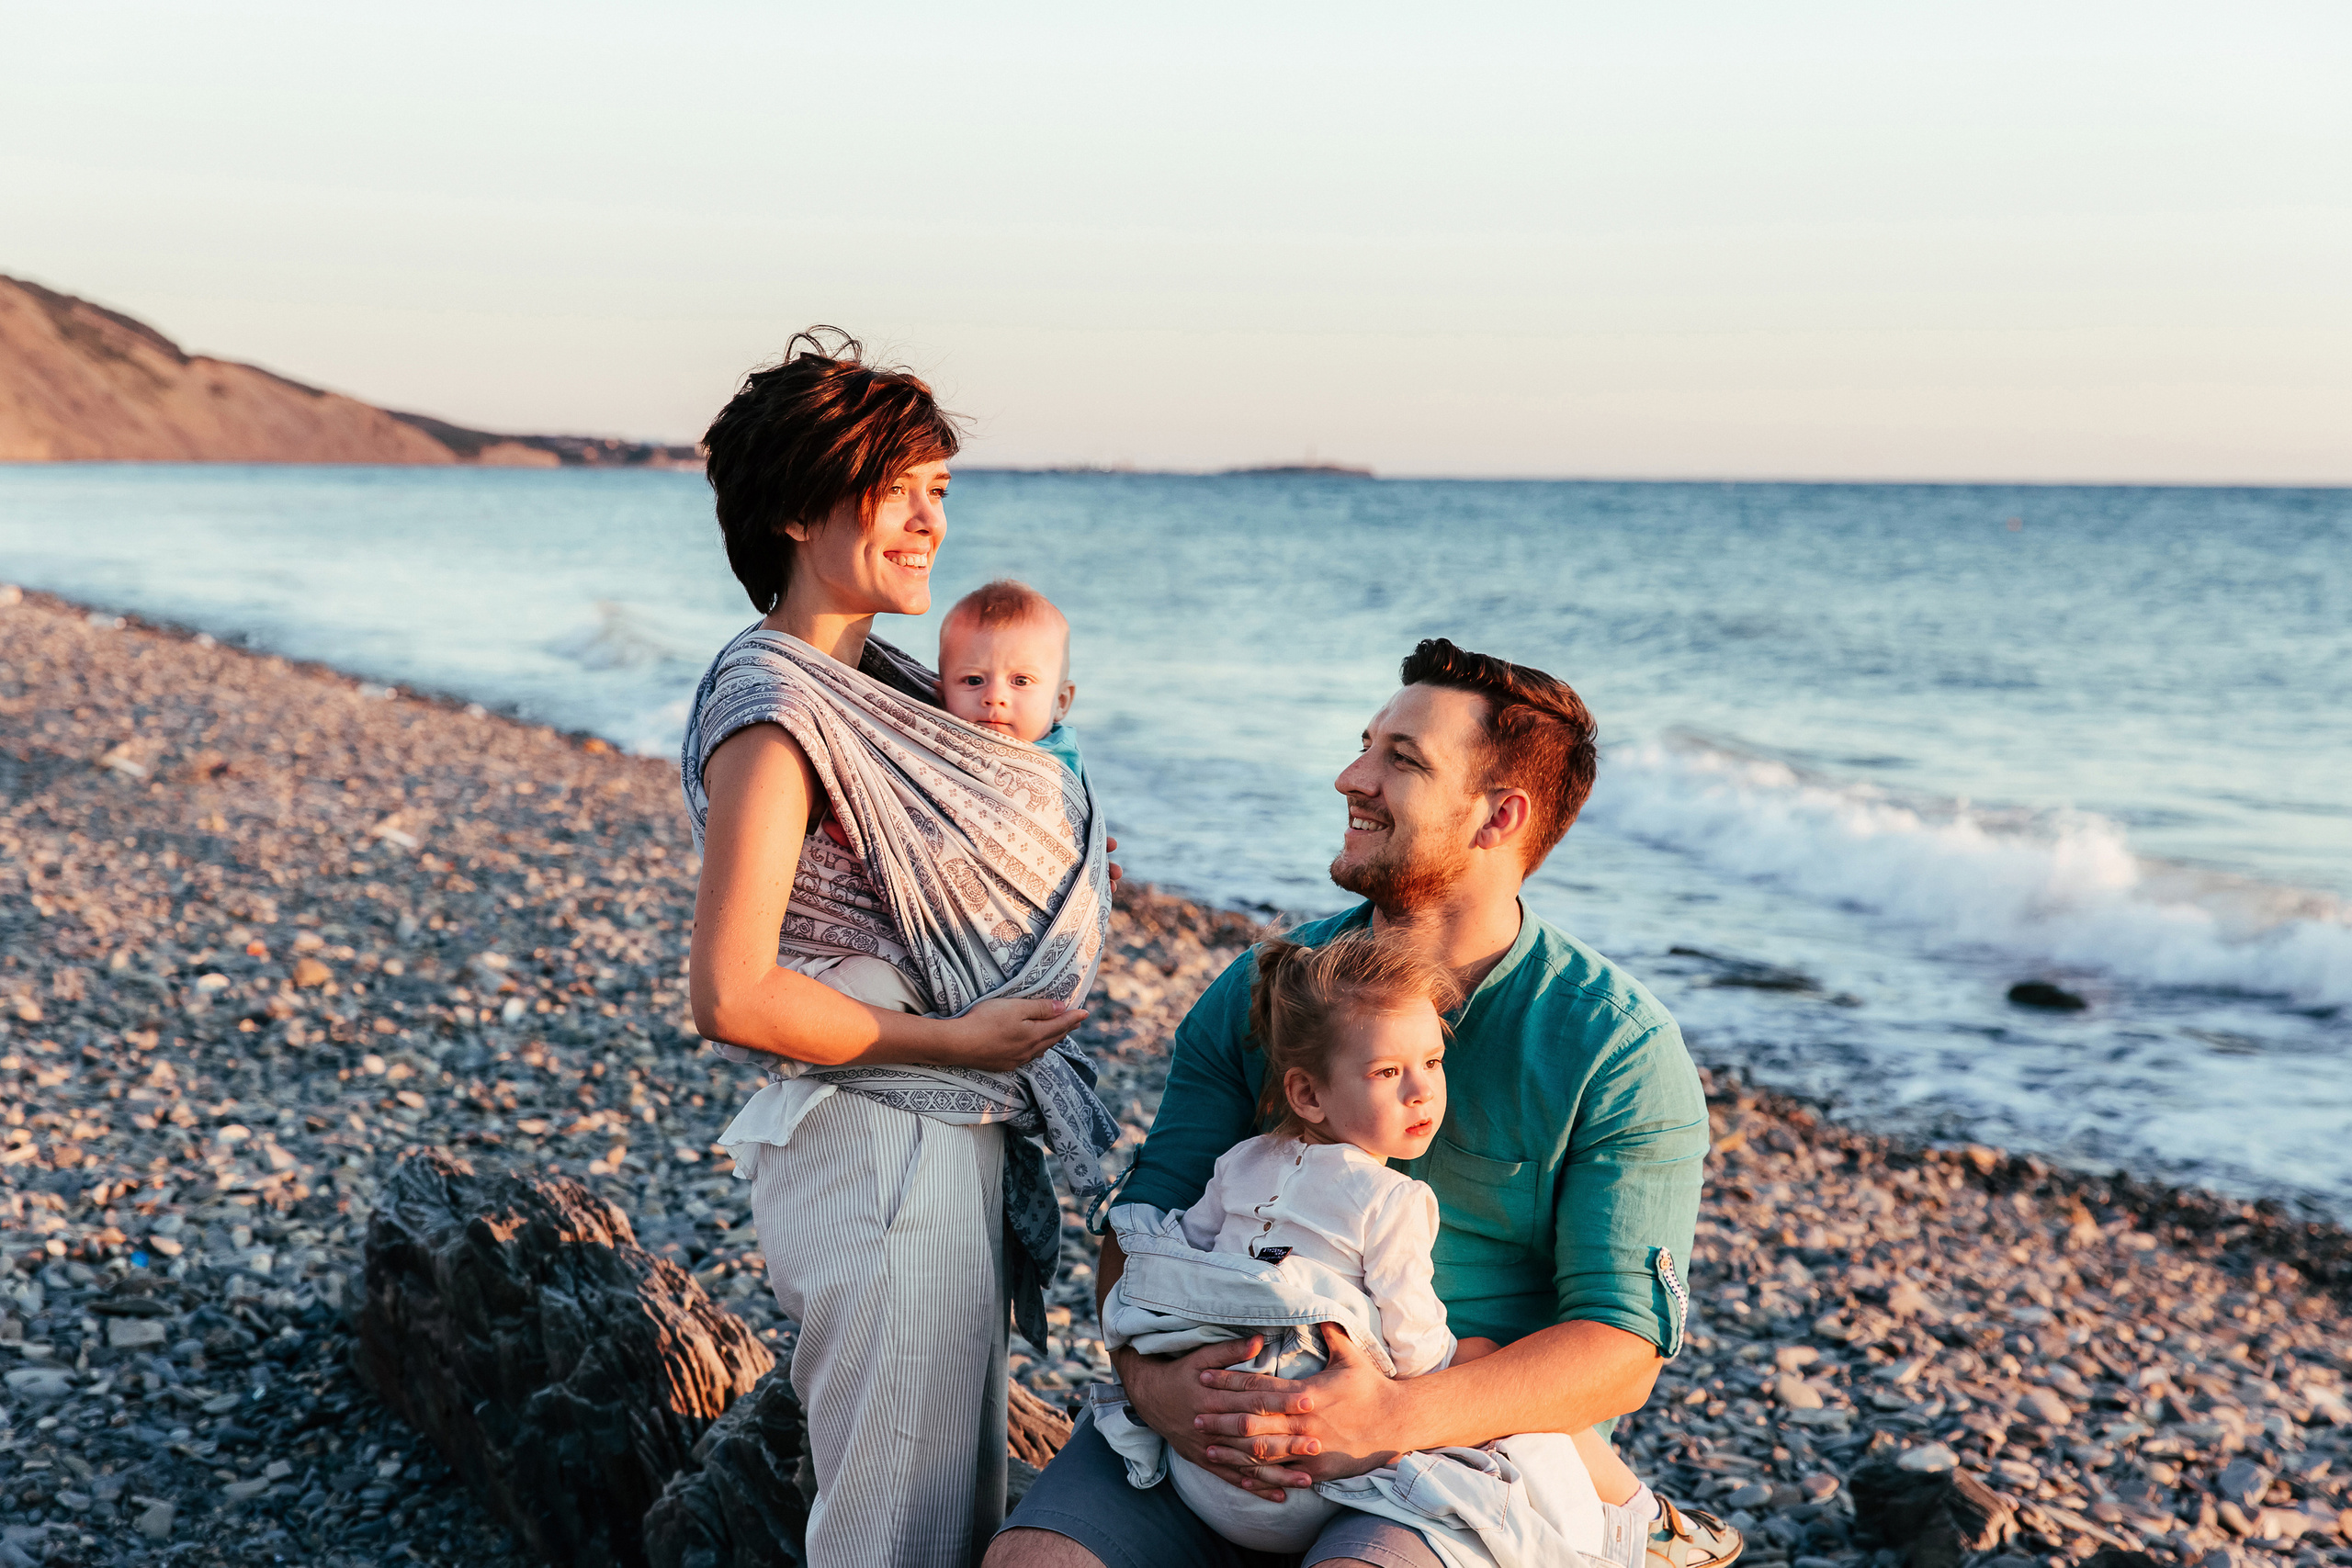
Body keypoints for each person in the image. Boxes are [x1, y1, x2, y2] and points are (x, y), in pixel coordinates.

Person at [991, 640, 1740, 1568]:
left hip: (1455, 1446)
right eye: (1366, 745)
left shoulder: (1613, 1048)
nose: (1352, 777)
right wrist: (1155, 1384)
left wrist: (1392, 1413)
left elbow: (1619, 1346)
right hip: (1213, 1407)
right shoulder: (1271, 990)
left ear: (1497, 817)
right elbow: (1147, 1217)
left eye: (1402, 760)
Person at [683, 328, 1118, 1568]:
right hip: (882, 1133)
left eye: (941, 492)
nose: (931, 522)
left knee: (947, 1495)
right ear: (800, 506)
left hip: (933, 1126)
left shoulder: (875, 683)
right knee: (894, 1520)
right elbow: (730, 987)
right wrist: (962, 1038)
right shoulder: (778, 710)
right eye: (900, 489)